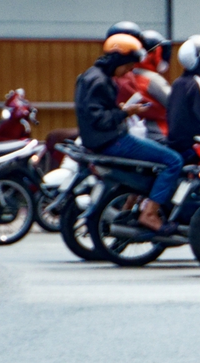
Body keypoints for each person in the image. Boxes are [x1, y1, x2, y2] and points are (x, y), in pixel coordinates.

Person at [73, 33, 184, 234]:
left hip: (101, 141)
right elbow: (99, 119)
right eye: (128, 66)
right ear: (119, 60)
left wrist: (121, 110)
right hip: (112, 141)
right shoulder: (101, 81)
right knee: (174, 160)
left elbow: (96, 112)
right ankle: (150, 213)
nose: (129, 71)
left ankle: (136, 207)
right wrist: (125, 112)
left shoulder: (90, 75)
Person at [115, 29, 172, 141]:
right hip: (159, 135)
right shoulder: (152, 79)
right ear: (154, 54)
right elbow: (176, 104)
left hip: (130, 134)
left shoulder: (122, 76)